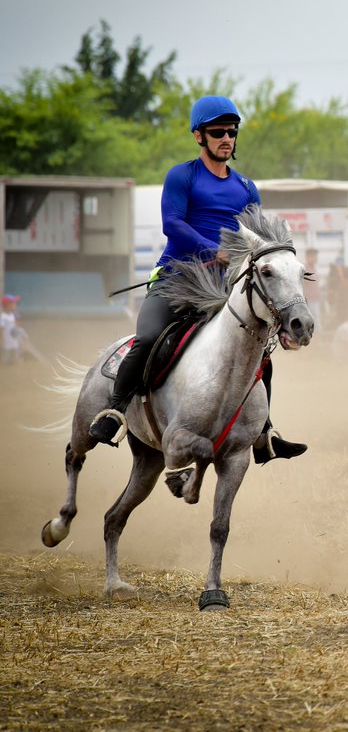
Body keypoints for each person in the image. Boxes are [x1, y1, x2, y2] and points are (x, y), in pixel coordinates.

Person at [87, 95, 306, 464]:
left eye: (232, 132)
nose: (226, 138)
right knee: (148, 338)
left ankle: (263, 433)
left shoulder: (246, 187)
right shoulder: (182, 175)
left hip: (224, 288)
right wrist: (212, 250)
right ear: (199, 136)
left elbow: (256, 236)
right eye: (218, 132)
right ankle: (115, 412)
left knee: (258, 352)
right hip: (175, 281)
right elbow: (172, 224)